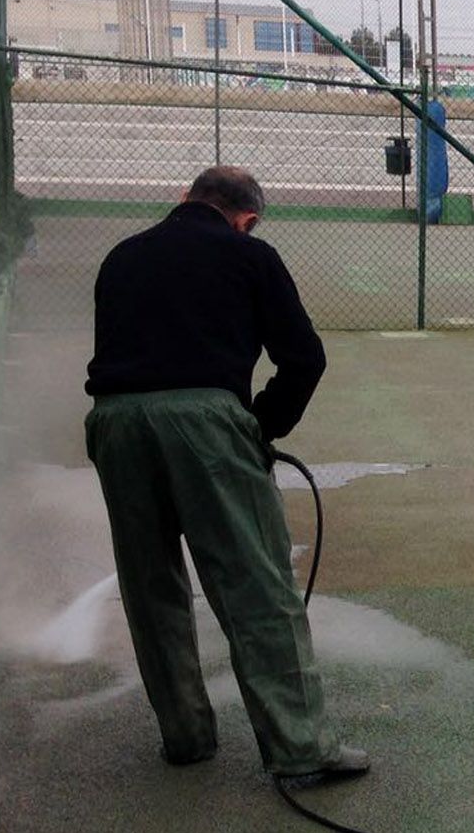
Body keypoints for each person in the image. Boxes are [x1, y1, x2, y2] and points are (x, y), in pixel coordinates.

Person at [83, 166, 368, 787]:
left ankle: (185, 736)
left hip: (115, 424)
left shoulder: (121, 257)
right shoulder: (250, 257)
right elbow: (304, 358)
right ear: (247, 220)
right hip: (206, 424)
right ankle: (301, 747)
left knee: (151, 584)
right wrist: (260, 427)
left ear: (183, 199)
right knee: (256, 585)